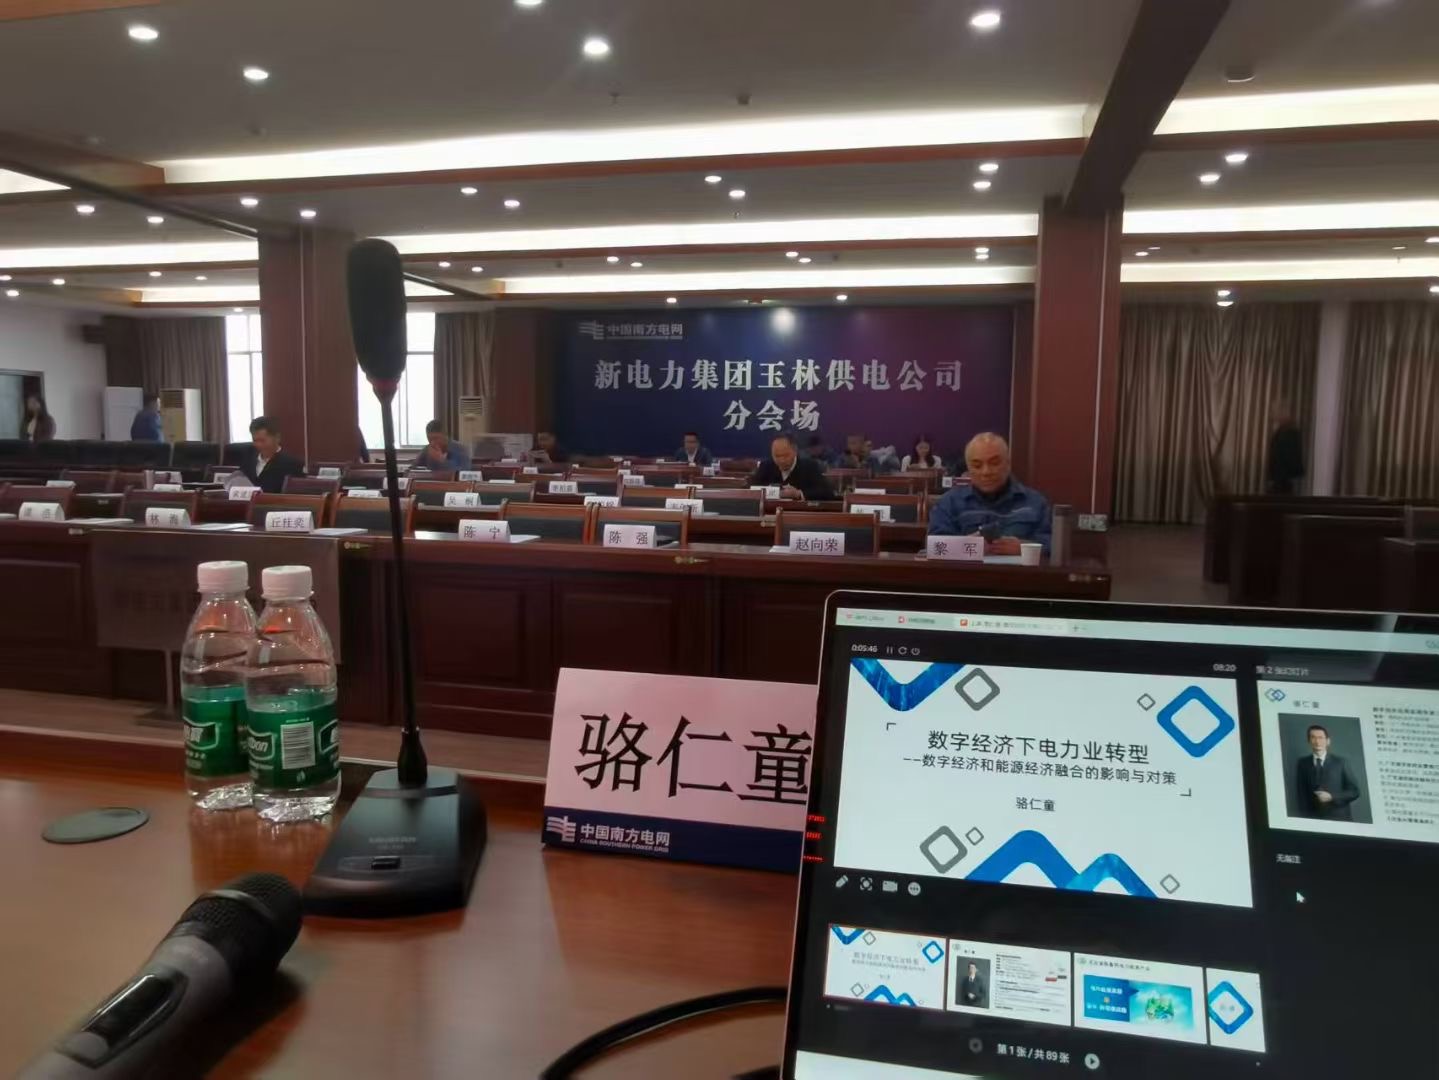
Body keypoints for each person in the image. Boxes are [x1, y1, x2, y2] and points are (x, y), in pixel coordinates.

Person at [928, 432, 1052, 555]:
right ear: (968, 469)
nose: (986, 472)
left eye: (994, 463)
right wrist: (966, 546)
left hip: (1017, 568)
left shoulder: (1036, 503)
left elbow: (1053, 547)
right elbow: (934, 547)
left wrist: (1024, 548)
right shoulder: (949, 503)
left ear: (1008, 464)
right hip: (968, 568)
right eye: (977, 466)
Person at [1293, 724, 1360, 821]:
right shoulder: (1302, 763)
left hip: (1339, 818)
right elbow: (1301, 794)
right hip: (1313, 820)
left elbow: (1355, 792)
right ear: (1309, 741)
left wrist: (1332, 796)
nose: (1317, 741)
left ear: (1328, 741)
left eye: (1320, 738)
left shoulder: (1341, 762)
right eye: (1313, 737)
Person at [749, 432, 835, 502]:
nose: (781, 460)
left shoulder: (810, 466)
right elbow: (750, 490)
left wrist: (798, 494)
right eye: (777, 456)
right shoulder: (766, 466)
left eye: (785, 455)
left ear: (795, 451)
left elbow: (828, 493)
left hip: (800, 514)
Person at [238, 416, 306, 494]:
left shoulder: (293, 464)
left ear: (277, 438)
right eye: (255, 440)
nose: (258, 445)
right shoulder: (248, 458)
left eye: (262, 440)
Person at [1266, 403, 1304, 495]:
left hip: (1283, 480)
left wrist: (1278, 477)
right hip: (1278, 479)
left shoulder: (1291, 431)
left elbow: (1290, 457)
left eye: (1274, 412)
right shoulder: (1281, 431)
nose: (1272, 415)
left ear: (1282, 413)